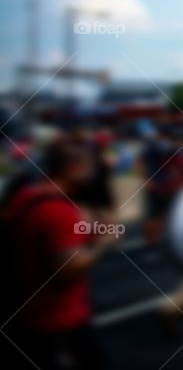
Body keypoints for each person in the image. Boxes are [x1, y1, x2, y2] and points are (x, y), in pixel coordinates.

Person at [3, 139, 111, 370]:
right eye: (91, 165)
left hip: (25, 317)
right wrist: (104, 243)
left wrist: (88, 227)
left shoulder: (27, 195)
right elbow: (70, 269)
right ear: (74, 168)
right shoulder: (59, 212)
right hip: (60, 326)